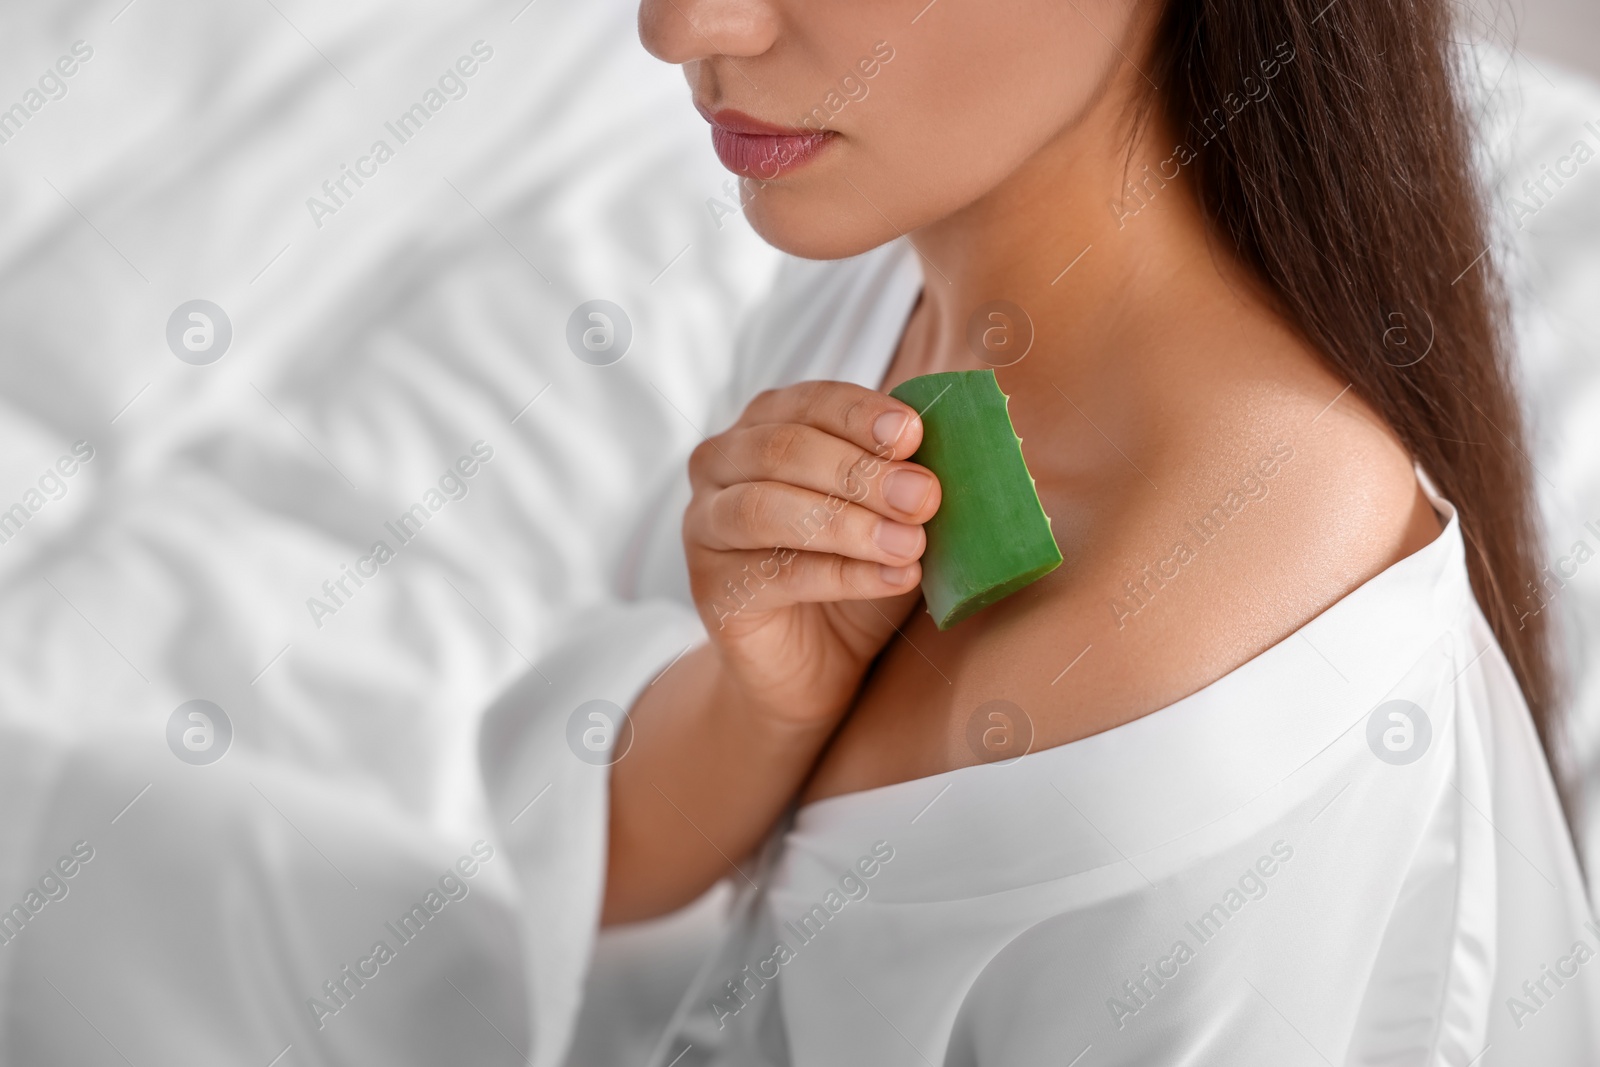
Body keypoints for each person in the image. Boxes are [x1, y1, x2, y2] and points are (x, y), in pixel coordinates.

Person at [482, 0, 1600, 1063]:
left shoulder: (1229, 615)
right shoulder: (868, 300)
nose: (678, 27)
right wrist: (760, 704)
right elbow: (596, 869)